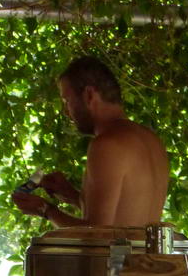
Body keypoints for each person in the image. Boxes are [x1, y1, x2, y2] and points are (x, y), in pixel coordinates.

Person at [11, 55, 169, 227]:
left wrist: (45, 210)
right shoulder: (152, 140)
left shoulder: (107, 144)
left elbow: (97, 235)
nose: (66, 111)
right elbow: (123, 217)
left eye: (67, 101)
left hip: (117, 247)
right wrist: (71, 194)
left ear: (89, 95)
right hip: (142, 246)